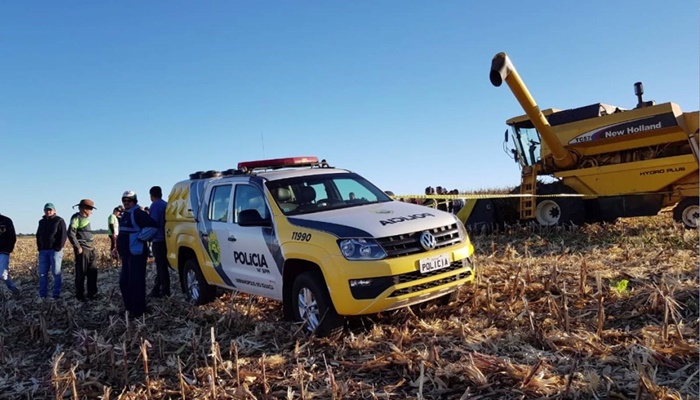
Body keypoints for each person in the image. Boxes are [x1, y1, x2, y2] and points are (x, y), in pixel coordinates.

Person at [115, 190, 157, 318]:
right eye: (124, 200)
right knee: (124, 283)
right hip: (126, 254)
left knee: (136, 282)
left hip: (136, 253)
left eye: (129, 200)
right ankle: (129, 308)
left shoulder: (138, 213)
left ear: (134, 201)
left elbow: (153, 226)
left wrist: (141, 238)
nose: (127, 203)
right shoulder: (125, 214)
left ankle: (139, 310)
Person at [68, 199, 98, 301]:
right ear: (85, 209)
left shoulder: (85, 219)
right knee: (81, 273)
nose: (91, 212)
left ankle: (92, 294)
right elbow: (71, 233)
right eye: (90, 209)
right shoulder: (76, 218)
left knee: (92, 272)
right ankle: (80, 295)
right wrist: (78, 247)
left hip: (91, 248)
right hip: (83, 249)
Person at [36, 203, 67, 299]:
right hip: (43, 251)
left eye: (50, 210)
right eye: (46, 210)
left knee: (56, 273)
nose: (48, 212)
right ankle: (43, 295)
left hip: (55, 251)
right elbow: (38, 235)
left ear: (54, 211)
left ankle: (56, 294)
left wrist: (58, 247)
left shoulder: (59, 221)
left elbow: (63, 235)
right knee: (42, 273)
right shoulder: (41, 222)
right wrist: (39, 247)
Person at [148, 186, 170, 298]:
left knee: (161, 267)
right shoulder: (166, 204)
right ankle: (156, 290)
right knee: (162, 266)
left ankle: (165, 291)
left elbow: (153, 223)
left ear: (151, 195)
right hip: (167, 239)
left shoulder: (155, 206)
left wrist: (146, 236)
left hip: (158, 240)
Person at [0, 213, 20, 297]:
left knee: (3, 275)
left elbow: (12, 236)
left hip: (3, 252)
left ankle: (13, 289)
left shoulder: (6, 221)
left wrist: (8, 249)